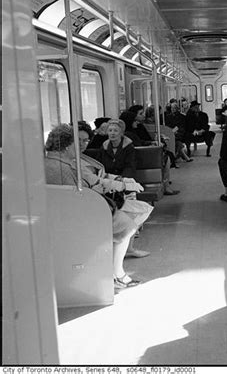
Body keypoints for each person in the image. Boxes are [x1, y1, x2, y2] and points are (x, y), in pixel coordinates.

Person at [44, 124, 150, 288]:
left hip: (61, 214)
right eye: (76, 143)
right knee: (127, 226)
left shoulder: (47, 163)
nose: (80, 146)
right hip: (79, 214)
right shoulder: (67, 167)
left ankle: (115, 272)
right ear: (66, 146)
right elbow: (82, 194)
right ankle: (117, 274)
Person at [78, 123, 151, 259]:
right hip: (99, 195)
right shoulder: (100, 149)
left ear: (121, 132)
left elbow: (129, 165)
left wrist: (123, 180)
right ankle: (121, 257)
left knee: (141, 209)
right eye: (110, 130)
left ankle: (128, 248)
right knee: (137, 213)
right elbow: (97, 177)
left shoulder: (128, 146)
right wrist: (121, 184)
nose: (112, 133)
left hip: (114, 183)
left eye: (85, 141)